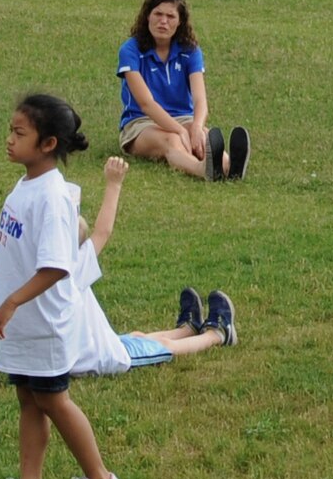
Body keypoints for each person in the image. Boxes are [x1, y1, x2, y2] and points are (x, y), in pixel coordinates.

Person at [0, 95, 127, 479]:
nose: (9, 140)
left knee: (54, 400)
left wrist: (10, 303)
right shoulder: (28, 185)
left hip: (41, 320)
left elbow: (57, 267)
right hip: (24, 323)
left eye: (19, 133)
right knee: (29, 398)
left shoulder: (52, 197)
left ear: (48, 144)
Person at [65, 157, 236, 375]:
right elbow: (103, 231)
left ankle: (187, 329)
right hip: (99, 357)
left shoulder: (40, 270)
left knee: (137, 336)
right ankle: (218, 334)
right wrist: (114, 184)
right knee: (166, 347)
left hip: (89, 348)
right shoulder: (71, 268)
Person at [117, 0, 250, 181]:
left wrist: (195, 127)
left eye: (170, 17)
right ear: (147, 16)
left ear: (180, 22)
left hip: (183, 118)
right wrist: (179, 131)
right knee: (172, 140)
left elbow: (200, 99)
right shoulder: (131, 50)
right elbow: (146, 104)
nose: (163, 22)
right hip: (141, 123)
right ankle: (202, 169)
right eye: (158, 14)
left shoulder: (190, 51)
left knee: (204, 136)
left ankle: (231, 167)